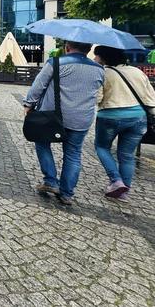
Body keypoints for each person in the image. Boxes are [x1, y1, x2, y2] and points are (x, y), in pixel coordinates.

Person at [23, 41, 105, 205]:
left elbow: (38, 86)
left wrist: (28, 104)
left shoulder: (55, 63)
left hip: (52, 116)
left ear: (67, 47)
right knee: (73, 154)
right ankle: (66, 194)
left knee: (41, 142)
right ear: (89, 50)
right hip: (82, 118)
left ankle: (51, 181)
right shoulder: (99, 69)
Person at [93, 46, 155, 201]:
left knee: (101, 147)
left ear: (104, 58)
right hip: (138, 118)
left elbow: (98, 98)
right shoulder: (137, 72)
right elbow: (150, 97)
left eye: (96, 56)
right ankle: (123, 192)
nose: (95, 59)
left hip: (110, 116)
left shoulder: (104, 73)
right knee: (127, 155)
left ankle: (116, 181)